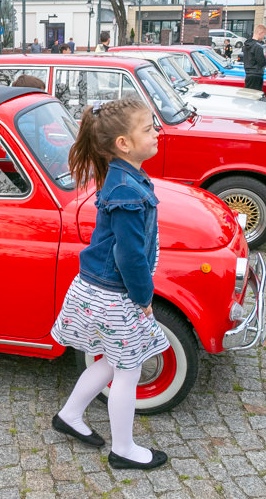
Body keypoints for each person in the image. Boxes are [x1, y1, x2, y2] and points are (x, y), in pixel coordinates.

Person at [50, 97, 170, 471]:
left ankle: (70, 415)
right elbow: (129, 257)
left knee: (110, 361)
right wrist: (144, 296)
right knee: (128, 370)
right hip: (114, 296)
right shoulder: (125, 190)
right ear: (124, 143)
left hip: (101, 291)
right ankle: (124, 449)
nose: (156, 133)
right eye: (148, 129)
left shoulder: (125, 176)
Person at [243, 25, 266, 91]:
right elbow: (262, 62)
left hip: (248, 73)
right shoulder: (258, 47)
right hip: (256, 74)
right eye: (264, 34)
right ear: (260, 33)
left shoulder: (246, 45)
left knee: (248, 95)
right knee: (255, 97)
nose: (263, 37)